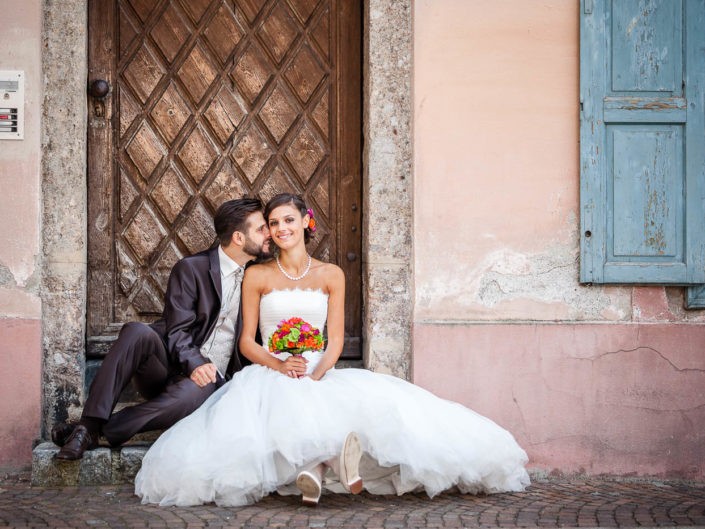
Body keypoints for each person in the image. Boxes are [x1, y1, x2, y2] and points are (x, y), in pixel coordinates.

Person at [135, 193, 530, 507]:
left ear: (306, 222)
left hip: (319, 368)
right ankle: (324, 467)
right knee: (284, 411)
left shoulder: (331, 274)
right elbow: (245, 341)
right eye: (274, 223)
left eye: (289, 220)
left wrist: (316, 372)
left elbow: (336, 340)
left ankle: (318, 471)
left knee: (374, 410)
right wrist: (279, 364)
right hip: (271, 369)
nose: (281, 228)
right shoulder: (257, 275)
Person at [51, 198, 279, 460]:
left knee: (201, 388)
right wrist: (195, 363)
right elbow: (177, 329)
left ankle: (92, 431)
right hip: (167, 366)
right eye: (261, 228)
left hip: (207, 385)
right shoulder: (192, 268)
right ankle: (90, 423)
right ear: (239, 237)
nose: (269, 233)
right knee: (137, 331)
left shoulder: (259, 277)